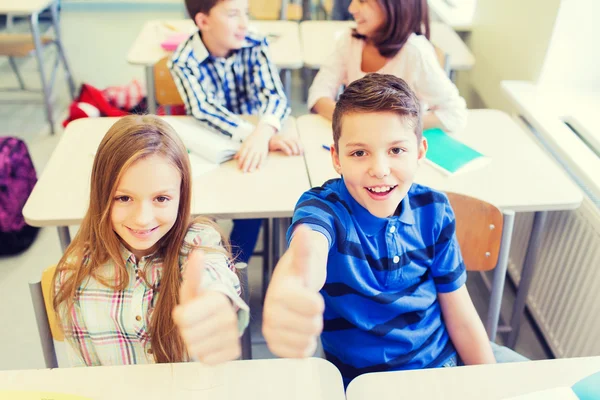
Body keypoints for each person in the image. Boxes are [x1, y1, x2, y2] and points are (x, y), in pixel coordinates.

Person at [262, 74, 526, 387]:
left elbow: (461, 315)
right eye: (359, 153)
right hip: (367, 385)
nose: (380, 169)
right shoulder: (324, 208)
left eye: (396, 150)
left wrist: (488, 383)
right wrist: (293, 287)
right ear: (336, 158)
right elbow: (307, 251)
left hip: (445, 361)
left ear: (420, 151)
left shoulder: (434, 209)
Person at [52, 115, 249, 366]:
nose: (143, 219)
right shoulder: (75, 275)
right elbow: (86, 378)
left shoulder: (198, 241)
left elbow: (213, 274)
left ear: (182, 195)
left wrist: (214, 303)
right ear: (101, 195)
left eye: (161, 199)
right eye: (124, 198)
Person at [169, 0, 302, 263]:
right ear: (203, 21)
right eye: (233, 14)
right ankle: (201, 265)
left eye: (246, 13)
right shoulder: (183, 61)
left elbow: (275, 97)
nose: (244, 23)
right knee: (193, 209)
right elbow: (204, 109)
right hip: (211, 149)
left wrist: (263, 132)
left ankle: (232, 267)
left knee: (255, 202)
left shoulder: (254, 44)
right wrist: (255, 136)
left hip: (257, 146)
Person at [309, 0, 467, 134]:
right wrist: (353, 120)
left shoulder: (415, 53)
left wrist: (395, 124)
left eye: (362, 1)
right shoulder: (350, 41)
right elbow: (318, 93)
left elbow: (455, 114)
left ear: (393, 5)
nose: (351, 9)